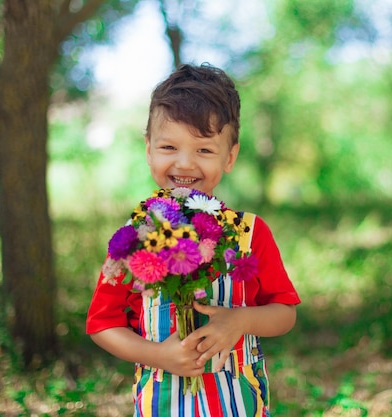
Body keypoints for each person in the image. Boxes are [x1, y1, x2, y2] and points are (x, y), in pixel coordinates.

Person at [86, 63, 301, 416]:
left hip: (237, 402)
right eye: (169, 146)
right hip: (162, 402)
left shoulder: (250, 233)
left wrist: (241, 320)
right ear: (149, 150)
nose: (185, 164)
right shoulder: (135, 238)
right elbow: (102, 324)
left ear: (229, 156)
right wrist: (158, 355)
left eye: (204, 150)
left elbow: (285, 313)